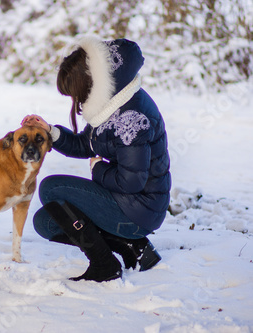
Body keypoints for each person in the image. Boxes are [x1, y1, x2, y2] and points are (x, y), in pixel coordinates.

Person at [21, 36, 171, 282]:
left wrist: (99, 168)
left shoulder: (130, 117)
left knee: (51, 188)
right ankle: (131, 246)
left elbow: (131, 181)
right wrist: (50, 131)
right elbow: (86, 144)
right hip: (127, 203)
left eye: (74, 93)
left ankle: (105, 265)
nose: (75, 101)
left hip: (140, 211)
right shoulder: (111, 102)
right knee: (46, 221)